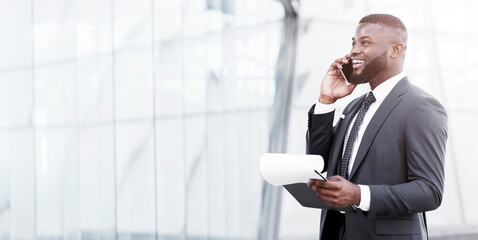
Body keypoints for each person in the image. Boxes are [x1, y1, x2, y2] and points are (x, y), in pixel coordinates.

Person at [306, 14, 447, 240]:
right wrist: (326, 101)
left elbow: (430, 191)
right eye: (353, 43)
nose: (353, 50)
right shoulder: (353, 107)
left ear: (395, 50)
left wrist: (358, 194)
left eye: (365, 42)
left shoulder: (420, 106)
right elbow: (318, 161)